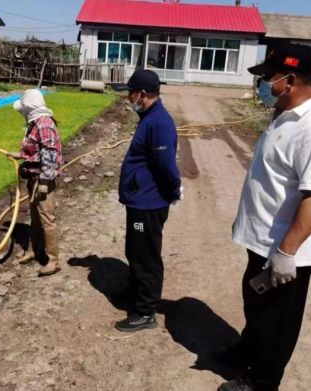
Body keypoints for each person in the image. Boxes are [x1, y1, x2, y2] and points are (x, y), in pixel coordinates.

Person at [217, 44, 311, 391]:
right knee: (256, 304)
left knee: (277, 319)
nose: (263, 84)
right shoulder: (285, 114)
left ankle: (262, 381)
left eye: (268, 78)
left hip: (287, 249)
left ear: (290, 79)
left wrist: (288, 252)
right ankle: (247, 351)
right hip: (262, 240)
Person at [114, 70, 182, 332]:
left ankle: (145, 311)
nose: (128, 98)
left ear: (142, 95)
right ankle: (135, 293)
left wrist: (175, 189)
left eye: (130, 93)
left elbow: (165, 164)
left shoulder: (159, 122)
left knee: (145, 255)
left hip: (148, 207)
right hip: (139, 203)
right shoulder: (148, 117)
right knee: (135, 249)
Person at [8, 89, 63, 277]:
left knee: (47, 218)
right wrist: (21, 155)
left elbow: (49, 155)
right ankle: (34, 250)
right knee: (35, 217)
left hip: (43, 179)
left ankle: (53, 260)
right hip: (34, 178)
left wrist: (45, 183)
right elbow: (37, 150)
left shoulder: (44, 124)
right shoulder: (35, 123)